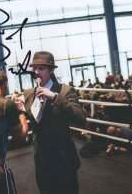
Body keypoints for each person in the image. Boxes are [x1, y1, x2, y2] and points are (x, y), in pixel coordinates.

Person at [17, 51, 86, 194]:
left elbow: (80, 117)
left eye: (41, 68)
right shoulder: (29, 94)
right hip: (42, 158)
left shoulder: (65, 91)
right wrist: (19, 109)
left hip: (63, 156)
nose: (36, 72)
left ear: (51, 70)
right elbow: (28, 117)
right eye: (34, 68)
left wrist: (55, 98)